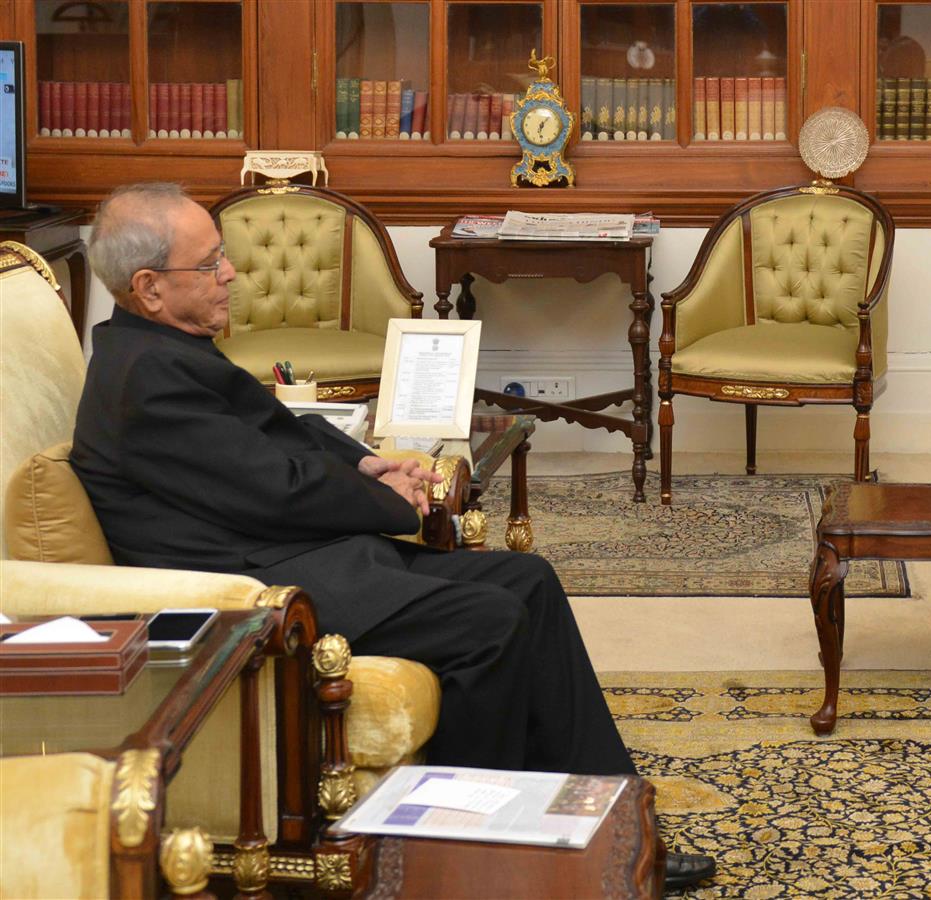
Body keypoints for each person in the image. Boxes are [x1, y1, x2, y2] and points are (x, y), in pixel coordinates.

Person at [71, 182, 714, 887]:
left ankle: (609, 821)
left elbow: (284, 429)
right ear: (150, 287)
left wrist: (370, 460)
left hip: (302, 554)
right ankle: (465, 862)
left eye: (224, 257)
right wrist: (397, 503)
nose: (231, 273)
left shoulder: (160, 348)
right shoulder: (147, 383)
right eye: (211, 263)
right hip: (267, 589)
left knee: (528, 579)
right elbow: (278, 490)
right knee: (489, 623)